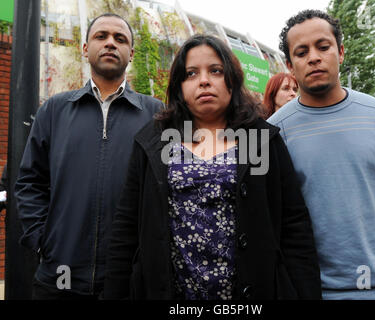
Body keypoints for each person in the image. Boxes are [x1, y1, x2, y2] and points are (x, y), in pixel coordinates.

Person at [103, 34, 322, 300]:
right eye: (191, 73)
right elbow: (126, 229)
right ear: (179, 86)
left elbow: (294, 228)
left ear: (232, 79)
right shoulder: (155, 141)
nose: (204, 80)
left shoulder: (260, 139)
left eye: (215, 71)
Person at [268, 9, 375, 300]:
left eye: (323, 47)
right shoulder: (274, 132)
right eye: (302, 52)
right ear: (289, 64)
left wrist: (369, 224)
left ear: (341, 51)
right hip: (315, 291)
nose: (314, 57)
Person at [14, 13, 164, 299]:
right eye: (101, 36)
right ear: (85, 49)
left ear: (130, 53)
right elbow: (29, 183)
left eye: (120, 39)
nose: (110, 43)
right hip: (59, 277)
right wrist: (43, 240)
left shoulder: (156, 115)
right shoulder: (54, 111)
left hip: (128, 281)